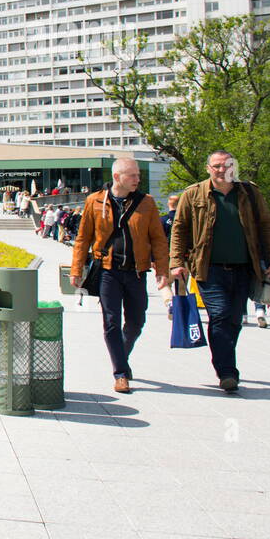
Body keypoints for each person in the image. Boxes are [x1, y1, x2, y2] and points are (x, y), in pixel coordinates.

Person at [169, 151, 270, 393]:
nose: (222, 170)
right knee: (220, 315)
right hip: (208, 268)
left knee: (233, 319)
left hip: (245, 267)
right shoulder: (193, 193)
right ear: (208, 168)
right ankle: (227, 372)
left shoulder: (249, 192)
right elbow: (179, 229)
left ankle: (224, 360)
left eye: (227, 165)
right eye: (217, 166)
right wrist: (176, 262)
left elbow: (266, 225)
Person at [70, 158, 169, 394]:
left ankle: (121, 358)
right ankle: (121, 374)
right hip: (107, 271)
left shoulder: (146, 202)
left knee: (136, 322)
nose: (137, 179)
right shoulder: (95, 201)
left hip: (136, 272)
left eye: (137, 175)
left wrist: (163, 270)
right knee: (111, 322)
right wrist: (76, 269)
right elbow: (83, 238)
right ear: (117, 177)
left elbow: (157, 238)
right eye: (132, 175)